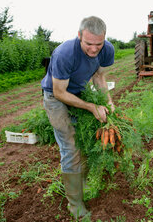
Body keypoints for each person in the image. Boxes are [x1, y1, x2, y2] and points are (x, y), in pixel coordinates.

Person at [41, 16, 114, 218]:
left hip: (80, 93)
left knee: (85, 139)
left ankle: (81, 184)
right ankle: (76, 208)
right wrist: (91, 107)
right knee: (71, 146)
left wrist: (107, 102)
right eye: (89, 44)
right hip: (56, 97)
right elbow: (60, 92)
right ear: (79, 35)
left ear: (104, 39)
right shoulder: (65, 53)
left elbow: (99, 77)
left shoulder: (107, 50)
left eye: (98, 44)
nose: (93, 49)